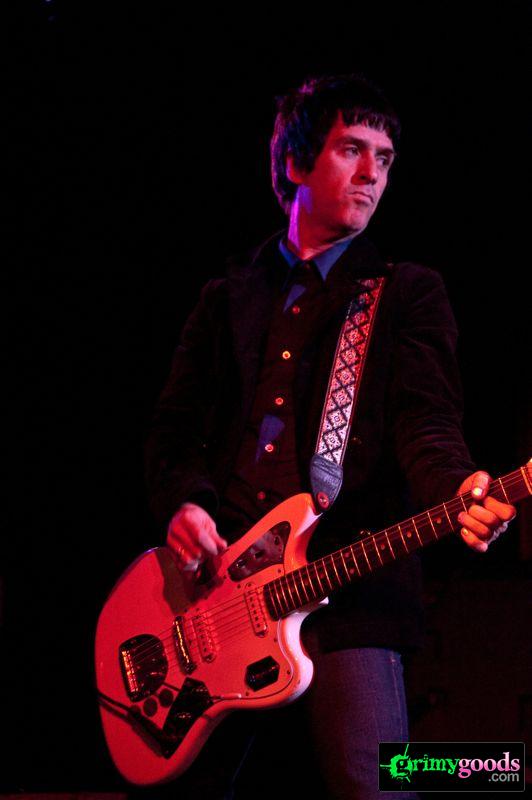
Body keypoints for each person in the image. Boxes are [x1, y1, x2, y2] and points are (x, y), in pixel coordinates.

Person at [144, 74, 516, 799]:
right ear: (295, 162)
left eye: (385, 157)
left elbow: (427, 422)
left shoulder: (404, 292)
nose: (373, 172)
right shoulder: (225, 298)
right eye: (352, 149)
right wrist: (184, 502)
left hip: (347, 595)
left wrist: (460, 484)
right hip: (215, 604)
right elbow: (173, 431)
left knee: (373, 785)